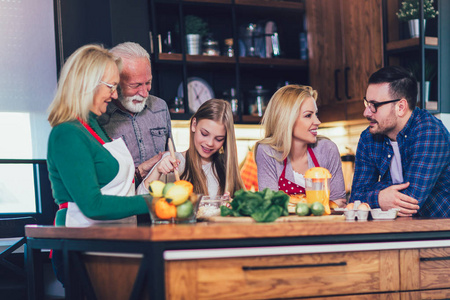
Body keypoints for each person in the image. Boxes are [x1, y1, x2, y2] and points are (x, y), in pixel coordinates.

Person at [47, 44, 152, 283]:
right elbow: (92, 206)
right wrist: (153, 203)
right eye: (112, 87)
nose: (115, 95)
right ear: (87, 84)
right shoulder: (67, 134)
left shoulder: (91, 125)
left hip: (109, 243)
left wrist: (143, 171)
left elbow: (107, 179)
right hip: (81, 247)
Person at [350, 66, 450, 217]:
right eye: (366, 104)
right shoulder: (368, 137)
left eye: (374, 105)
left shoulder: (429, 131)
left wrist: (373, 194)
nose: (366, 112)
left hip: (439, 233)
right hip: (398, 232)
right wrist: (380, 198)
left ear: (401, 107)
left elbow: (411, 201)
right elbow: (355, 200)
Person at [255, 85, 346, 207]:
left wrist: (295, 204)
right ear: (287, 120)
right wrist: (316, 205)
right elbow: (270, 204)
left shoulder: (327, 149)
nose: (318, 122)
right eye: (308, 115)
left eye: (316, 114)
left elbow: (339, 202)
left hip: (323, 225)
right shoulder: (267, 151)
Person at [97, 42, 172, 183]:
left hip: (160, 201)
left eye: (148, 83)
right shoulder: (99, 117)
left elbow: (171, 158)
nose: (144, 93)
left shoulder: (160, 107)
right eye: (135, 85)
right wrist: (139, 172)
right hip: (122, 203)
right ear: (115, 82)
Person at [141, 99, 245, 197]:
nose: (209, 143)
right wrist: (157, 171)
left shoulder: (226, 166)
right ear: (194, 125)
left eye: (218, 139)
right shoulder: (172, 161)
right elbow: (140, 199)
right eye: (204, 134)